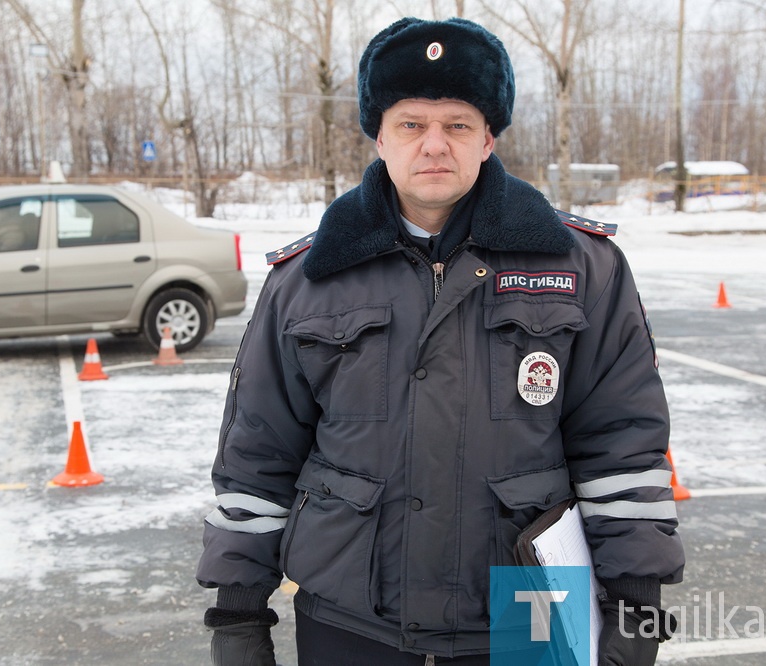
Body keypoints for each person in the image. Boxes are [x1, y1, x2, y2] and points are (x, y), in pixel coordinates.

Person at [197, 16, 684, 666]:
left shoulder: (581, 268)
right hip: (352, 617)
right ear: (379, 136)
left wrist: (638, 610)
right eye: (410, 124)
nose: (434, 145)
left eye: (456, 124)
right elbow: (256, 459)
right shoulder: (306, 281)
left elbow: (621, 449)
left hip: (530, 605)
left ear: (489, 137)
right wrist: (236, 618)